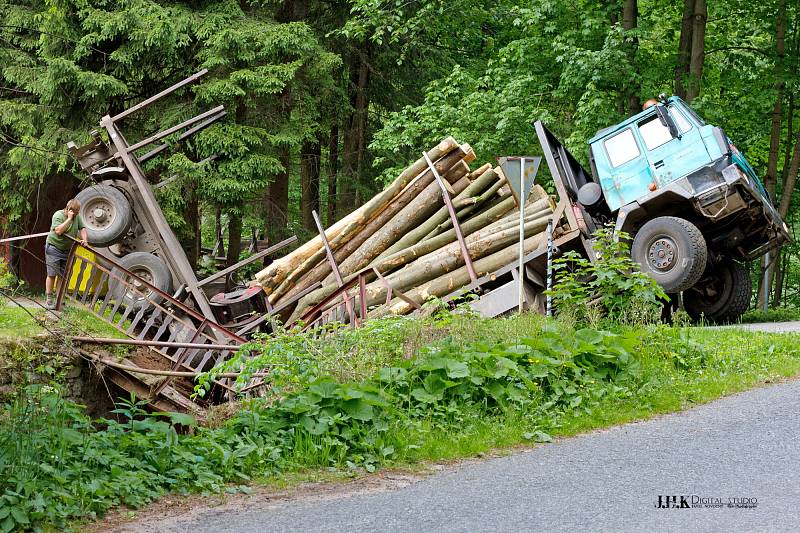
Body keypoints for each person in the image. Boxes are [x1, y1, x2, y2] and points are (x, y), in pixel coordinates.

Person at [45, 199, 88, 309]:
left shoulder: (77, 217)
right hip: (54, 248)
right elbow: (59, 231)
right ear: (69, 209)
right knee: (52, 274)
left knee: (63, 276)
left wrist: (85, 240)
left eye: (78, 212)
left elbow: (82, 228)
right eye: (75, 212)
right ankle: (49, 299)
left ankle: (59, 300)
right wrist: (69, 218)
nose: (77, 214)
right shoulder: (58, 215)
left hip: (67, 250)